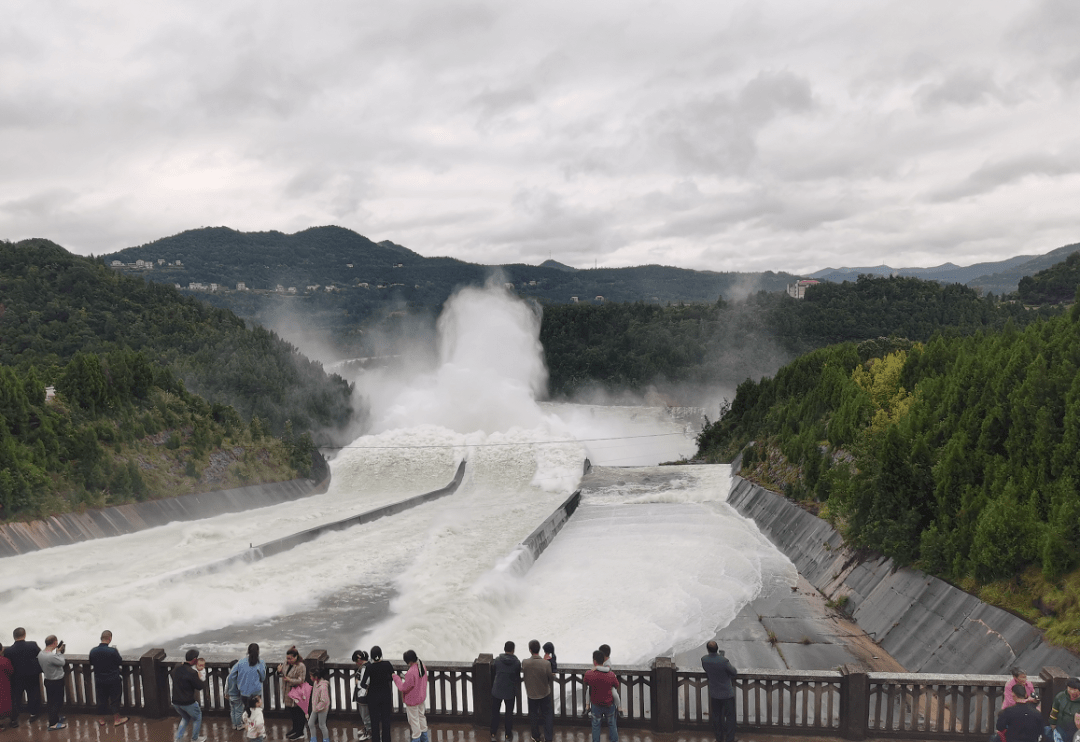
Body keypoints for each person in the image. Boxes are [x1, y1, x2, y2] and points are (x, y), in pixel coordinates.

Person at [88, 630, 128, 727]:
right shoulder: (112, 651)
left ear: (101, 638)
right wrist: (117, 652)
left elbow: (91, 662)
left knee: (101, 699)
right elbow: (119, 661)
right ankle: (117, 719)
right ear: (110, 639)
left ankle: (101, 720)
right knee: (115, 699)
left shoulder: (93, 651)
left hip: (99, 679)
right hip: (113, 679)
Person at [701, 641, 737, 742]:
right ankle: (729, 739)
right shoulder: (724, 661)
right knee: (730, 717)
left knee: (716, 717)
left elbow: (708, 670)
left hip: (714, 693)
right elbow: (733, 672)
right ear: (717, 648)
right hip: (727, 693)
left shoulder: (704, 660)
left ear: (708, 649)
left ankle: (719, 738)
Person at [6, 627, 41, 728]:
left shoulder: (8, 651)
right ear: (24, 635)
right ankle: (33, 714)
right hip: (32, 676)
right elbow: (40, 655)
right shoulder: (32, 645)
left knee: (16, 698)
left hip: (16, 678)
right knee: (33, 695)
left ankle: (14, 719)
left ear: (14, 637)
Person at [583, 650, 619, 742]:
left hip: (596, 705)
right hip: (609, 704)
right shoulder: (611, 675)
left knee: (595, 727)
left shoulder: (589, 674)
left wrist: (593, 669)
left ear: (594, 661)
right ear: (603, 661)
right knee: (612, 725)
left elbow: (586, 681)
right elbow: (616, 684)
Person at [171, 648, 206, 742]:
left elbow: (173, 673)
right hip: (188, 702)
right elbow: (200, 686)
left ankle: (178, 739)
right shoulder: (192, 673)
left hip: (175, 701)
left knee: (186, 717)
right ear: (194, 660)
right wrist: (201, 676)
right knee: (197, 717)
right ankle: (195, 739)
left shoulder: (177, 667)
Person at [522, 639, 554, 742]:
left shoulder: (525, 662)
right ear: (539, 649)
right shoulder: (546, 664)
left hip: (531, 694)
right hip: (545, 693)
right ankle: (548, 738)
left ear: (530, 650)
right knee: (547, 715)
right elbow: (550, 677)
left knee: (533, 714)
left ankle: (535, 736)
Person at [393, 650, 429, 742]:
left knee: (414, 721)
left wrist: (396, 677)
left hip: (412, 700)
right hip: (421, 698)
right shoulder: (422, 666)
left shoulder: (411, 672)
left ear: (409, 661)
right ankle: (425, 739)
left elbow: (403, 687)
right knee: (421, 717)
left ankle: (416, 738)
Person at [491, 641, 521, 742]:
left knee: (495, 711)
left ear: (504, 649)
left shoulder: (498, 660)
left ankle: (493, 731)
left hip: (497, 690)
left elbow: (494, 671)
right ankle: (508, 734)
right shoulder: (517, 663)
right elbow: (517, 677)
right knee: (509, 713)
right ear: (513, 650)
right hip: (510, 691)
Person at [365, 646, 395, 742]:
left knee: (375, 722)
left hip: (373, 697)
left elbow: (363, 683)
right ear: (381, 654)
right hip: (385, 696)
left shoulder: (369, 667)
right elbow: (392, 676)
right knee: (386, 721)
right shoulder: (387, 664)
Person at [38, 636, 67, 731]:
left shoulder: (41, 653)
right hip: (56, 681)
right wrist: (59, 653)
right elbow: (62, 662)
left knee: (51, 702)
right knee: (57, 702)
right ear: (54, 643)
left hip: (48, 679)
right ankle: (53, 724)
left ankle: (55, 718)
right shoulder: (50, 656)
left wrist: (57, 653)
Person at [279, 647, 308, 740]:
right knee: (292, 712)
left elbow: (301, 680)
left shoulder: (301, 666)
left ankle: (300, 732)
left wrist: (290, 680)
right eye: (287, 658)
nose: (288, 660)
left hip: (297, 693)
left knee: (298, 713)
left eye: (290, 658)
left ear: (296, 657)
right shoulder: (286, 663)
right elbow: (282, 674)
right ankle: (295, 729)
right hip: (287, 691)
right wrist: (278, 671)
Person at [234, 644, 267, 709]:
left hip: (244, 691)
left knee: (247, 710)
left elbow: (237, 675)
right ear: (258, 651)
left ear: (248, 651)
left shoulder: (241, 661)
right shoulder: (261, 662)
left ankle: (246, 719)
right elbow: (263, 678)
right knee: (256, 711)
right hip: (256, 691)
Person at [1049, 677, 1080, 742]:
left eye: (1075, 689)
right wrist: (1052, 725)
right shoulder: (1060, 696)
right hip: (1060, 729)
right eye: (1070, 688)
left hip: (1075, 732)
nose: (1072, 691)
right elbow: (1054, 712)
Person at [351, 650, 371, 741]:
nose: (356, 664)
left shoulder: (365, 668)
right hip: (362, 695)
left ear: (359, 659)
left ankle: (368, 733)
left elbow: (366, 683)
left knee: (366, 716)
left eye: (356, 661)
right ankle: (366, 729)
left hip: (364, 696)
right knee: (364, 715)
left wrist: (357, 682)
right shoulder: (366, 666)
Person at [307, 667, 331, 742]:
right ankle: (313, 739)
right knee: (310, 723)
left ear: (316, 677)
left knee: (322, 725)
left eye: (311, 676)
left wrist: (316, 708)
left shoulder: (323, 687)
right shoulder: (315, 683)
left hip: (322, 708)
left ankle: (326, 740)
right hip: (316, 707)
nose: (310, 677)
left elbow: (324, 701)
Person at [597, 645, 620, 713]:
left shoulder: (608, 662)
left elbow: (607, 669)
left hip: (608, 682)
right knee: (589, 690)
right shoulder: (601, 660)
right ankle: (587, 706)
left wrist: (597, 668)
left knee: (614, 694)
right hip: (600, 681)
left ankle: (619, 708)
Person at [226, 660, 244, 730]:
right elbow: (241, 687)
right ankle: (239, 725)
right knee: (239, 711)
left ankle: (234, 725)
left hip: (231, 696)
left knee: (233, 711)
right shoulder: (239, 676)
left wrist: (226, 693)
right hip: (237, 696)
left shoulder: (229, 676)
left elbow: (226, 686)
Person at [0, 643, 14, 727]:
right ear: (1, 650)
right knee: (3, 703)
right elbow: (11, 671)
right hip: (3, 685)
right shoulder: (5, 661)